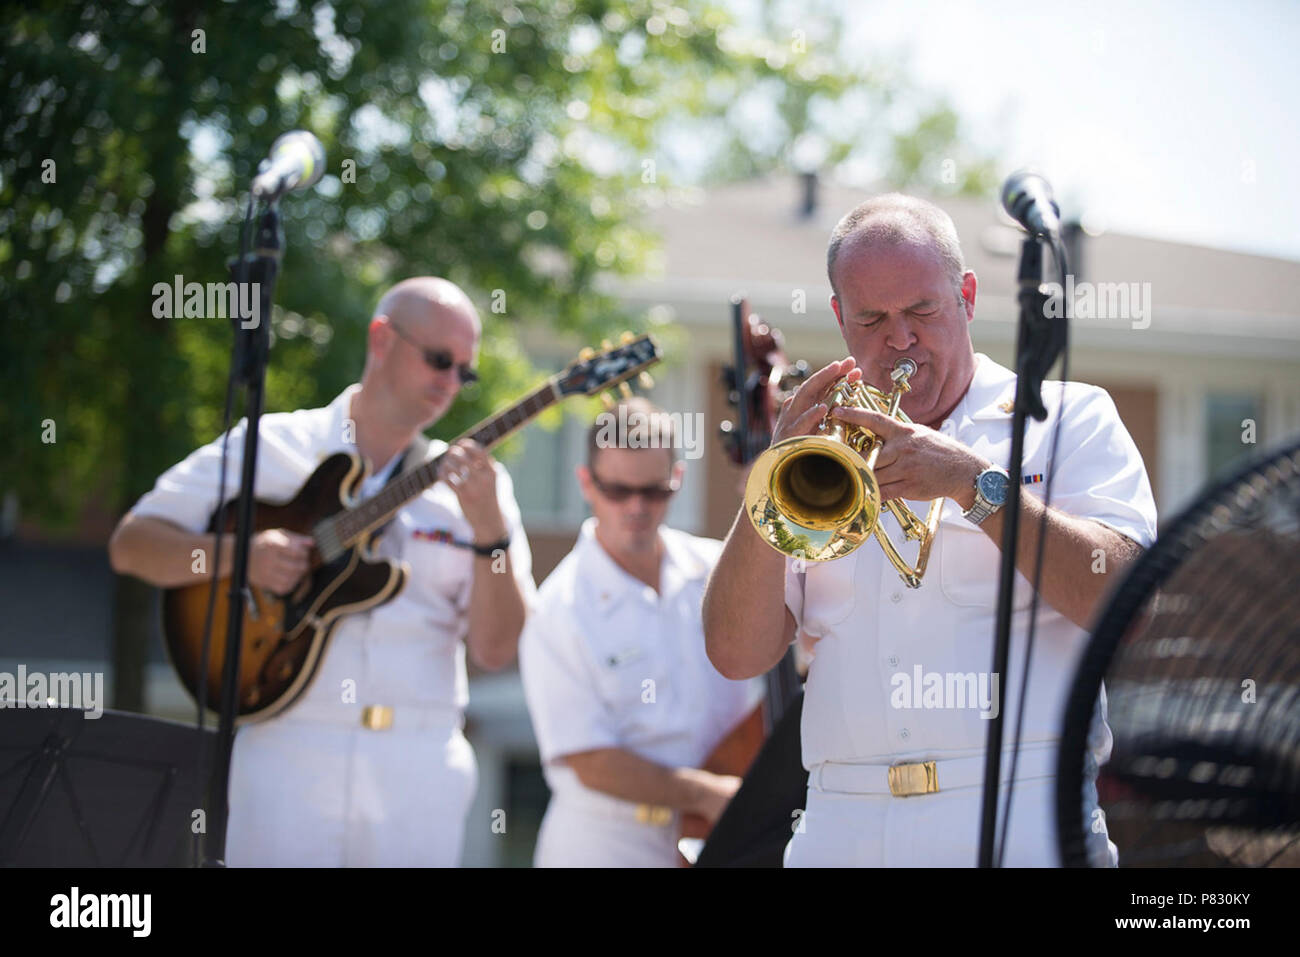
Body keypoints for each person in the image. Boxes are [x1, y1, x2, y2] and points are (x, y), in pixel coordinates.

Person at [702, 194, 1157, 867]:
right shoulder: (822, 446)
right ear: (839, 317)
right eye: (872, 319)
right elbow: (736, 653)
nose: (901, 340)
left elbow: (1128, 601)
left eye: (922, 311)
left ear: (967, 295)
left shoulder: (1068, 420)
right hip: (840, 821)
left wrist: (975, 485)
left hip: (1018, 812)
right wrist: (770, 484)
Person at [108, 276, 536, 867]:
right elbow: (132, 546)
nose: (450, 383)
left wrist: (491, 534)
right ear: (381, 339)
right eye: (439, 359)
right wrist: (243, 555)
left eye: (465, 371)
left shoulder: (479, 490)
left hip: (419, 764)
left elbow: (497, 648)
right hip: (287, 750)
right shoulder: (270, 445)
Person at [519, 398, 763, 867]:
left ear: (677, 480)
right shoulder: (558, 607)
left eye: (653, 491)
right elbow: (589, 759)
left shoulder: (720, 570)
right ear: (586, 482)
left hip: (718, 838)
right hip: (606, 848)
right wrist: (708, 793)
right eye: (617, 490)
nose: (636, 506)